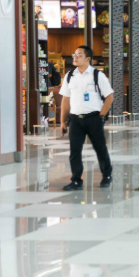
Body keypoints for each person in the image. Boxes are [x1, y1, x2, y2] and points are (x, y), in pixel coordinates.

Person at [59, 46, 114, 189]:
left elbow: (109, 97)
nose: (75, 58)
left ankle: (107, 175)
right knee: (75, 151)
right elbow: (65, 99)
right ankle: (76, 180)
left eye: (79, 55)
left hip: (94, 118)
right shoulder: (70, 76)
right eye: (74, 55)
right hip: (75, 119)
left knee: (100, 148)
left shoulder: (97, 75)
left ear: (88, 58)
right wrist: (62, 121)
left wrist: (101, 116)